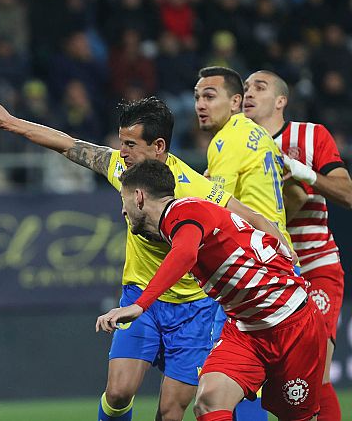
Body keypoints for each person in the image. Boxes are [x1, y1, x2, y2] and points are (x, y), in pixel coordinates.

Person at [0, 97, 292, 421]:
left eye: (130, 144)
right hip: (141, 296)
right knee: (118, 392)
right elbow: (68, 144)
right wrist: (9, 122)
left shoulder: (194, 189)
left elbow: (253, 218)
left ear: (158, 146)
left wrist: (288, 258)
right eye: (121, 142)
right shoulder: (121, 169)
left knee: (170, 411)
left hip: (194, 309)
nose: (122, 152)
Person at [96, 159, 326, 421]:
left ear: (138, 197)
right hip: (244, 330)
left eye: (124, 200)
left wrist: (140, 305)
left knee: (298, 417)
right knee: (209, 402)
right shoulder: (181, 219)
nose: (123, 211)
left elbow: (185, 254)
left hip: (292, 324)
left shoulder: (184, 212)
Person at [244, 69, 352, 421]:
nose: (248, 93)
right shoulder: (233, 144)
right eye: (245, 88)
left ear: (281, 100)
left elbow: (347, 193)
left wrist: (305, 173)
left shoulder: (311, 135)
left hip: (315, 266)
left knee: (316, 371)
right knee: (277, 380)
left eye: (259, 87)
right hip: (267, 276)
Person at [194, 66, 294, 420]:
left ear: (235, 102)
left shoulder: (227, 140)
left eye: (210, 96)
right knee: (262, 377)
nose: (200, 105)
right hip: (281, 265)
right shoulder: (256, 134)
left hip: (253, 268)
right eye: (197, 97)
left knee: (229, 376)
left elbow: (214, 212)